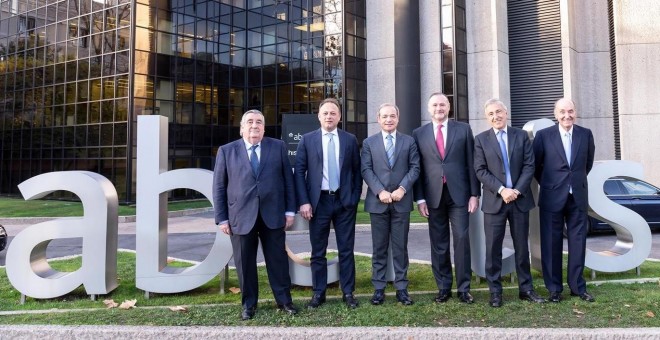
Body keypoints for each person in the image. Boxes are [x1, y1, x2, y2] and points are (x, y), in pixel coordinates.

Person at [212, 110, 298, 320]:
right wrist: (222, 218)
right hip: (240, 217)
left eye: (259, 122)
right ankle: (249, 305)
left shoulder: (277, 147)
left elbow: (288, 180)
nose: (254, 125)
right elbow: (219, 187)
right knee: (245, 264)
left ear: (264, 128)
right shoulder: (226, 151)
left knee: (278, 261)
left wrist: (289, 210)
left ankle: (284, 301)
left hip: (273, 214)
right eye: (249, 122)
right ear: (242, 128)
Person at [473, 99, 546, 307]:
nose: (495, 116)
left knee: (522, 247)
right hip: (495, 201)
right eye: (491, 114)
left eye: (498, 112)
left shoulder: (521, 136)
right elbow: (480, 170)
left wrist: (516, 191)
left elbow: (529, 165)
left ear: (506, 113)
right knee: (493, 249)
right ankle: (495, 291)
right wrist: (502, 189)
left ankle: (526, 289)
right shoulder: (480, 140)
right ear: (487, 117)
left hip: (519, 201)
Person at [294, 98, 363, 309]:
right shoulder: (307, 140)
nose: (329, 116)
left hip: (344, 202)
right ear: (319, 116)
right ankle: (318, 293)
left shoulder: (350, 139)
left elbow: (357, 172)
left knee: (346, 249)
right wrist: (304, 202)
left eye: (333, 113)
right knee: (318, 251)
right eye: (325, 113)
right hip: (318, 202)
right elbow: (299, 173)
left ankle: (348, 292)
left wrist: (353, 198)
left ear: (339, 117)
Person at [412, 92, 480, 304]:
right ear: (428, 108)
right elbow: (419, 169)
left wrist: (474, 193)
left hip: (459, 195)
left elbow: (472, 163)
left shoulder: (464, 129)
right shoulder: (418, 133)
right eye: (434, 105)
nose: (439, 108)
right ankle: (443, 287)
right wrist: (420, 198)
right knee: (438, 243)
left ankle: (463, 288)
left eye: (442, 104)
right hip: (433, 197)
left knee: (461, 240)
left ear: (449, 106)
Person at [533, 98, 596, 303]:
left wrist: (573, 182)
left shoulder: (585, 134)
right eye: (562, 112)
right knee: (551, 244)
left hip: (577, 196)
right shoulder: (543, 136)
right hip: (552, 197)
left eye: (570, 111)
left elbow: (587, 164)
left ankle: (578, 287)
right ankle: (554, 289)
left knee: (578, 243)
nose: (567, 115)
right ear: (556, 114)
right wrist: (552, 184)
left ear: (575, 112)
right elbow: (536, 167)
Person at [361, 103, 420, 306]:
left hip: (401, 202)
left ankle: (401, 288)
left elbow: (414, 168)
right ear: (378, 119)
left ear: (398, 118)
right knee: (379, 248)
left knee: (400, 248)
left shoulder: (409, 141)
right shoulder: (369, 143)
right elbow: (366, 170)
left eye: (392, 116)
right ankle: (379, 289)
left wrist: (402, 189)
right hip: (378, 204)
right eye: (385, 116)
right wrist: (380, 191)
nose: (388, 119)